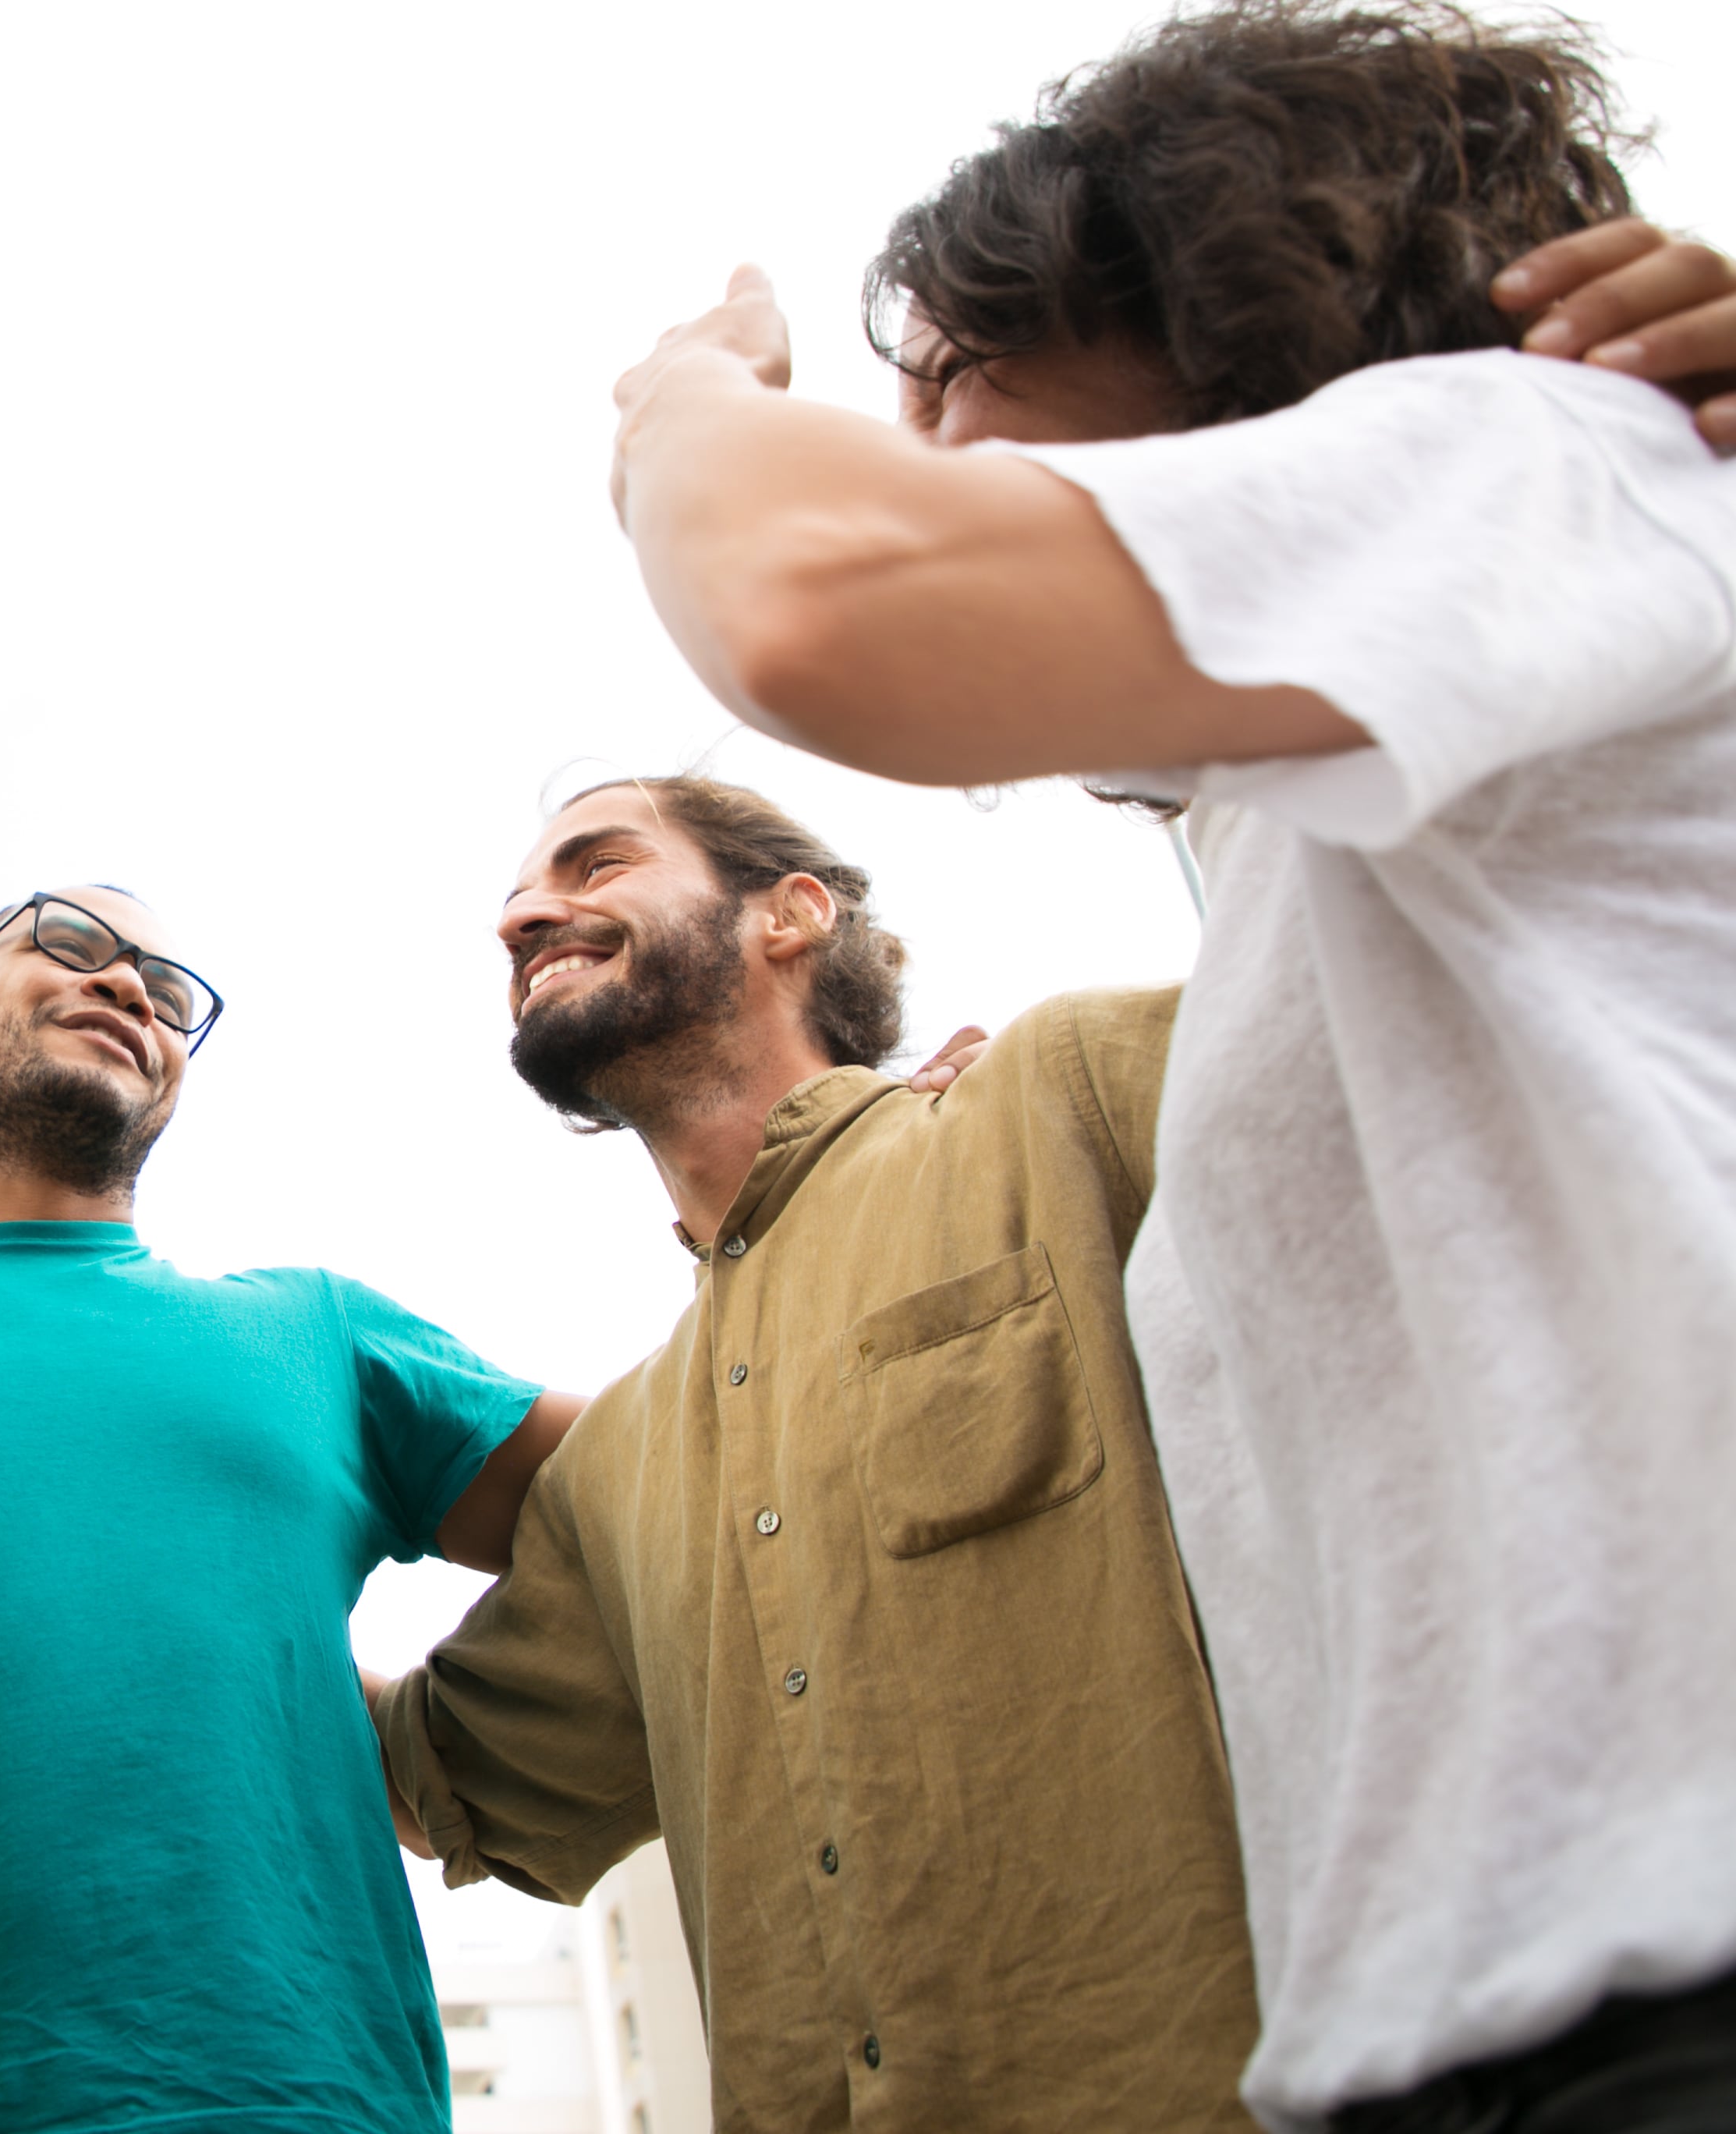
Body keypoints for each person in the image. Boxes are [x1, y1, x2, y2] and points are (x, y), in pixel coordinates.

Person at [602, 5, 1736, 2128]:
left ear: (1218, 315)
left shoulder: (1558, 449)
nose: (916, 451)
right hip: (1472, 2037)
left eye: (949, 378)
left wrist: (681, 406)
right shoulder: (1330, 856)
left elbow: (821, 596)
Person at [370, 775, 1252, 2132]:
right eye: (518, 904)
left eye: (597, 864)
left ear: (791, 916)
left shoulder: (1063, 1106)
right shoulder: (618, 1469)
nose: (529, 916)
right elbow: (428, 1777)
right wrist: (201, 1458)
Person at [0, 885, 584, 2134]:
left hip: (309, 2103)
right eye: (72, 944)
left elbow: (664, 1487)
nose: (135, 988)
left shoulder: (316, 1333)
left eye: (170, 992)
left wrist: (432, 1739)